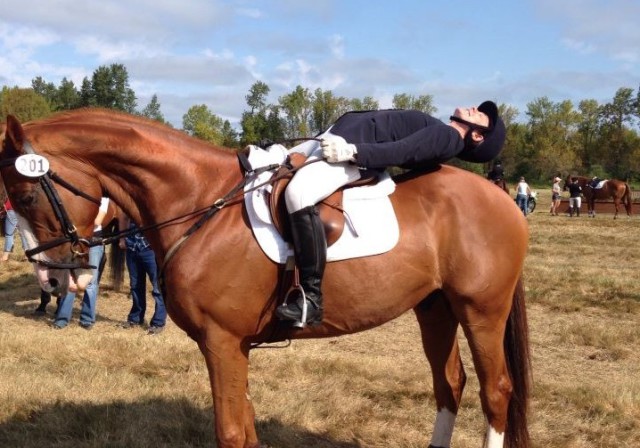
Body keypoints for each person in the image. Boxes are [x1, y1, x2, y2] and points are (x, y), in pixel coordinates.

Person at [275, 101, 506, 326]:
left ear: (477, 136)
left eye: (480, 116)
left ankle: (310, 299)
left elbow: (403, 151)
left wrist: (353, 151)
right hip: (330, 140)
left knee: (298, 194)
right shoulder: (438, 128)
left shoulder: (449, 137)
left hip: (349, 155)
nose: (474, 109)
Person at [52, 197, 110, 329]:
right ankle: (62, 318)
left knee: (91, 281)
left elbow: (97, 221)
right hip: (75, 241)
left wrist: (78, 216)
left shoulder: (104, 198)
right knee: (70, 279)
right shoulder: (77, 196)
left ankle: (87, 319)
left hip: (94, 242)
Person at [118, 215, 166, 335]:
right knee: (135, 286)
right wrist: (122, 239)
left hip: (150, 249)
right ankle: (136, 318)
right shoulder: (130, 200)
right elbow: (123, 218)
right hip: (132, 247)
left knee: (157, 288)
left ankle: (158, 322)